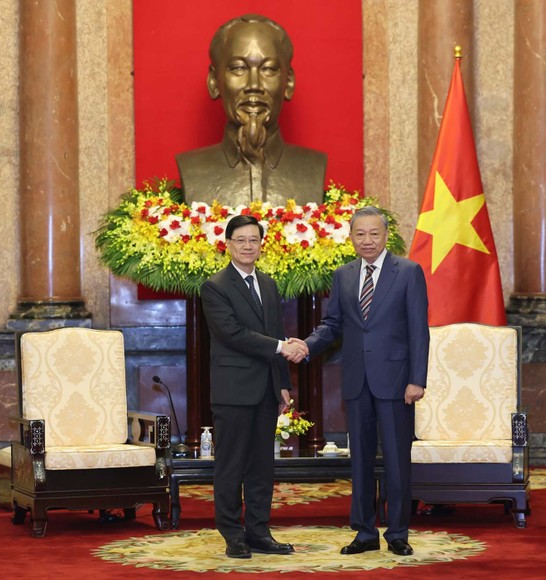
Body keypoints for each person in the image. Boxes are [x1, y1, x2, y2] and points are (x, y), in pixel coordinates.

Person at [294, 205, 429, 556]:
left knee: (397, 459)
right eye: (360, 234)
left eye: (374, 234)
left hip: (398, 382)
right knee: (360, 460)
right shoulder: (344, 274)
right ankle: (365, 532)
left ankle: (398, 532)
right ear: (350, 237)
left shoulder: (409, 272)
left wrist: (417, 379)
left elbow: (419, 330)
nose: (367, 240)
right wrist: (306, 346)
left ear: (386, 236)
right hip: (357, 381)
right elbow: (333, 324)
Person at [200, 214, 306, 559]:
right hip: (233, 390)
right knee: (231, 464)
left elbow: (276, 331)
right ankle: (233, 534)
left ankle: (259, 531)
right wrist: (281, 348)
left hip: (265, 390)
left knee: (262, 466)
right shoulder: (215, 286)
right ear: (227, 244)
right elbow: (232, 333)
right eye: (240, 240)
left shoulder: (270, 284)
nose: (248, 246)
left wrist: (284, 385)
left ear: (262, 245)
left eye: (253, 240)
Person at [176, 14, 327, 207]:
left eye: (268, 69)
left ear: (288, 82)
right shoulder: (192, 168)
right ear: (214, 82)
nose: (254, 85)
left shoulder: (313, 166)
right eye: (239, 68)